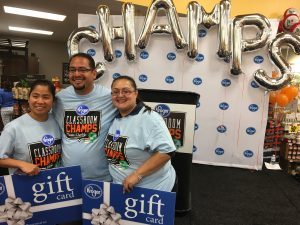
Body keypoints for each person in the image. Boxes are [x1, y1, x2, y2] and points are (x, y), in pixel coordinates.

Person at [104, 75, 176, 193]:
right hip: (122, 189)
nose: (120, 95)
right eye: (115, 92)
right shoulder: (116, 117)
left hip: (151, 190)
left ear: (135, 94)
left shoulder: (150, 118)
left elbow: (167, 151)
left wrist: (137, 175)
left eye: (126, 91)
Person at [52, 52, 116, 181]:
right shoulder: (59, 99)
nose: (76, 74)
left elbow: (132, 107)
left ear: (93, 73)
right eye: (72, 70)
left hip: (102, 177)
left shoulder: (109, 97)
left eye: (82, 70)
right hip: (67, 176)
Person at [0, 79, 62, 175]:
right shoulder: (13, 127)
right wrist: (21, 164)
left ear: (53, 101)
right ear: (28, 98)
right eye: (35, 96)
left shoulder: (57, 122)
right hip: (26, 186)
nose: (40, 101)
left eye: (46, 97)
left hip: (56, 183)